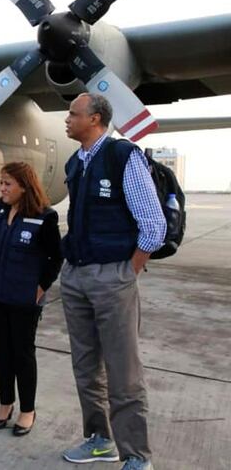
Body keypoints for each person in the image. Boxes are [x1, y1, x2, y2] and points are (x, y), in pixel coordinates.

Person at [60, 93, 165, 470]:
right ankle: (100, 439)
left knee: (124, 371)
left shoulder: (123, 156)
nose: (67, 119)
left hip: (112, 275)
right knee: (85, 365)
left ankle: (136, 455)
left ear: (96, 119)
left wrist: (127, 270)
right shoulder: (76, 162)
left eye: (73, 114)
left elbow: (154, 225)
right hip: (75, 275)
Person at [0, 162, 62, 436]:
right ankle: (5, 403)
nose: (1, 189)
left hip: (24, 300)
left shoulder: (44, 217)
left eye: (7, 184)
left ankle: (27, 410)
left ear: (24, 186)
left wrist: (41, 287)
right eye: (1, 183)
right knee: (3, 353)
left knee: (22, 354)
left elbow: (55, 257)